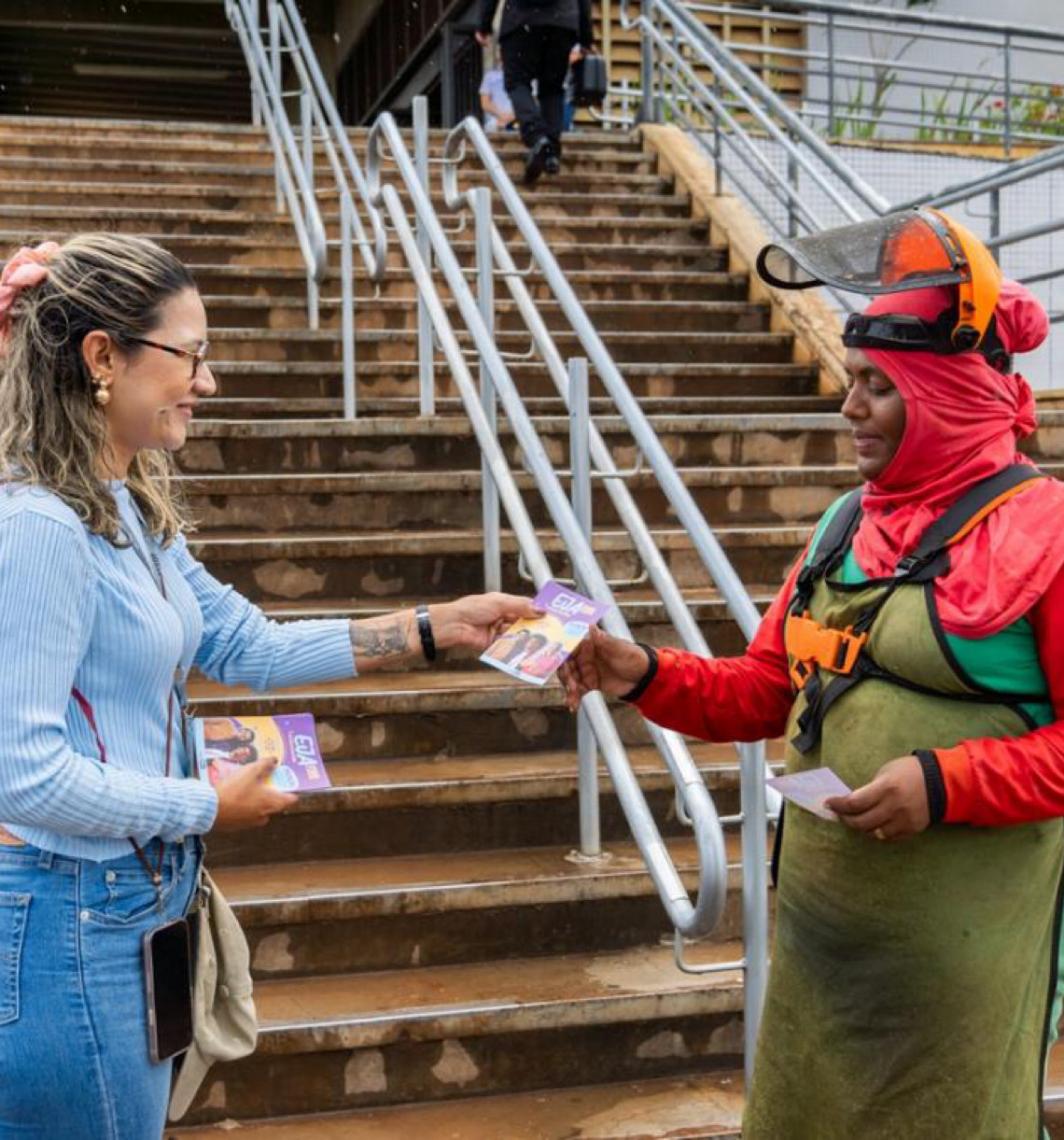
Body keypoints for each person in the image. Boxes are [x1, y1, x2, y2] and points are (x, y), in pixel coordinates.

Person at [0, 233, 540, 1140]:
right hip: (70, 918)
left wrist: (432, 628)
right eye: (190, 356)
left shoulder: (123, 508)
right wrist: (201, 805)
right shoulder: (42, 530)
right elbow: (23, 774)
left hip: (137, 906)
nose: (206, 383)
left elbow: (246, 643)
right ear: (103, 358)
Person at [561, 209, 1064, 1138]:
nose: (850, 407)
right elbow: (763, 692)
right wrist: (641, 675)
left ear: (947, 394)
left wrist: (944, 783)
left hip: (958, 973)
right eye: (851, 381)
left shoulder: (1044, 534)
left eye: (878, 385)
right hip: (822, 952)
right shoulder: (844, 527)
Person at [476, 0, 593, 184]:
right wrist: (586, 37)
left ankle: (537, 136)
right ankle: (551, 150)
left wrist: (484, 25)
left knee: (516, 82)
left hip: (521, 21)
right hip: (562, 23)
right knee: (552, 88)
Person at [479, 57, 516, 133]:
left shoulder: (524, 77)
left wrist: (511, 117)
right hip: (494, 122)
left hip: (516, 121)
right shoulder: (489, 76)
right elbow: (485, 103)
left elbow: (532, 101)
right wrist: (501, 116)